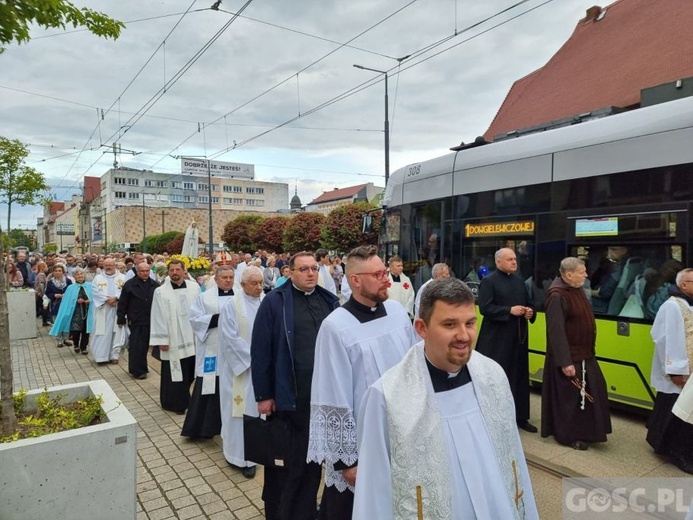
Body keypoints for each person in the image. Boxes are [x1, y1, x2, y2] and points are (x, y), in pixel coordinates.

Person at [353, 278, 539, 519]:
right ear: (421, 328)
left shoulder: (492, 375)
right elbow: (373, 493)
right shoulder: (386, 397)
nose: (464, 335)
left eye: (470, 323)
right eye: (450, 324)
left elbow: (515, 461)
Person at [308, 245, 418, 519]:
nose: (386, 278)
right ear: (355, 280)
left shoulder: (396, 312)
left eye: (384, 272)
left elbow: (415, 367)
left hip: (401, 433)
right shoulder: (336, 326)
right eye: (378, 273)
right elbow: (332, 393)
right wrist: (347, 461)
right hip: (361, 441)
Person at [251, 251, 339, 520]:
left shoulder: (329, 301)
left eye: (314, 268)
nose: (311, 273)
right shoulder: (275, 302)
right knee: (287, 465)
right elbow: (261, 350)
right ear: (290, 272)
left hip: (320, 398)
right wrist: (265, 395)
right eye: (304, 269)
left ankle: (306, 512)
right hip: (290, 398)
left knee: (312, 464)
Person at [541, 257, 612, 450]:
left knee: (592, 393)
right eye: (582, 272)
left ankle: (587, 431)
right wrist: (565, 362)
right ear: (568, 274)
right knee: (571, 399)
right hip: (570, 357)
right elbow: (556, 332)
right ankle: (568, 436)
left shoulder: (576, 289)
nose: (586, 275)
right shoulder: (557, 295)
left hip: (585, 354)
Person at [475, 248, 537, 433]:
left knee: (519, 376)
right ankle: (495, 417)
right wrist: (508, 310)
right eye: (509, 259)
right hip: (497, 340)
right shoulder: (489, 281)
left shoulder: (519, 282)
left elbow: (529, 302)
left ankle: (520, 416)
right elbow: (485, 308)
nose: (514, 262)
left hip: (518, 338)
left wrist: (529, 311)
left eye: (515, 259)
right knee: (499, 378)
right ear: (499, 262)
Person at [218, 265, 264, 478]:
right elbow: (229, 338)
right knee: (239, 413)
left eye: (261, 283)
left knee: (259, 411)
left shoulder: (267, 302)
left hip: (263, 370)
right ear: (242, 284)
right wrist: (254, 358)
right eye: (254, 283)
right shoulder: (232, 306)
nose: (258, 287)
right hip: (241, 371)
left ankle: (259, 453)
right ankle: (240, 457)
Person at [646, 268, 693, 474]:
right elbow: (665, 339)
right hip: (680, 372)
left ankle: (663, 442)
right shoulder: (672, 306)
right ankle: (676, 452)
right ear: (684, 285)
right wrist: (675, 371)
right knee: (676, 412)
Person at [183, 265, 236, 439]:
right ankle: (203, 428)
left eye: (231, 277)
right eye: (224, 277)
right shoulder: (205, 298)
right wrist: (218, 319)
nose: (228, 280)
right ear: (217, 279)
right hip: (213, 349)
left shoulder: (241, 296)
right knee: (209, 385)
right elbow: (195, 319)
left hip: (234, 350)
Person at [150, 259, 201, 414]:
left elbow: (200, 311)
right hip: (173, 339)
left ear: (184, 271)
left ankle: (187, 397)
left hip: (192, 337)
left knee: (190, 370)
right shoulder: (161, 291)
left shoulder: (194, 288)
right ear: (168, 272)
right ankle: (174, 403)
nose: (175, 273)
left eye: (178, 270)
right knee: (174, 373)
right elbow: (157, 316)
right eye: (172, 270)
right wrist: (162, 340)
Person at [117, 262, 160, 379]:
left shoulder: (155, 285)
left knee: (146, 346)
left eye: (147, 271)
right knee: (137, 346)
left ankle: (142, 366)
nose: (145, 273)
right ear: (137, 272)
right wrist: (121, 318)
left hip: (150, 319)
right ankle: (138, 370)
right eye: (142, 271)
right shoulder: (130, 284)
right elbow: (123, 302)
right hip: (136, 319)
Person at [49, 267, 93, 355]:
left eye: (81, 274)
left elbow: (95, 297)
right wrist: (76, 301)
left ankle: (83, 347)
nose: (80, 276)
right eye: (78, 274)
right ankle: (76, 344)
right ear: (74, 276)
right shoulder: (70, 287)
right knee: (76, 331)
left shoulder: (90, 285)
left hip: (87, 312)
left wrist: (89, 300)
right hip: (75, 313)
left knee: (86, 330)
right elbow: (67, 300)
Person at [90, 258, 126, 364]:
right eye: (106, 265)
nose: (108, 267)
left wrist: (116, 298)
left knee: (117, 332)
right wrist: (107, 299)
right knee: (101, 332)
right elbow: (95, 292)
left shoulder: (123, 278)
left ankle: (114, 355)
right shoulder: (97, 278)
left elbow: (126, 292)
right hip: (103, 309)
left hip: (118, 308)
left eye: (111, 265)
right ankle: (101, 356)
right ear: (103, 266)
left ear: (115, 266)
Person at [589, 246, 628, 314]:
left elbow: (604, 293)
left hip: (599, 308)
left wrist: (585, 291)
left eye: (614, 249)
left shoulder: (619, 270)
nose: (608, 255)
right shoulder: (626, 266)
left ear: (624, 250)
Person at [46, 263, 72, 347]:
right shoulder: (50, 282)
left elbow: (72, 291)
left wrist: (66, 295)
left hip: (66, 304)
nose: (58, 273)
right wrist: (54, 295)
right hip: (56, 304)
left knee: (66, 321)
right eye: (56, 271)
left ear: (63, 272)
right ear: (53, 272)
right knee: (58, 321)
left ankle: (65, 338)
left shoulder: (68, 281)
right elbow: (47, 293)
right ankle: (59, 340)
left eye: (60, 271)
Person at [34, 261, 51, 326]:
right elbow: (42, 285)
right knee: (44, 307)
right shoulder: (42, 274)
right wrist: (44, 293)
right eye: (46, 266)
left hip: (39, 293)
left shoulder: (39, 274)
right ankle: (45, 321)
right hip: (41, 293)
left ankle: (45, 321)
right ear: (43, 267)